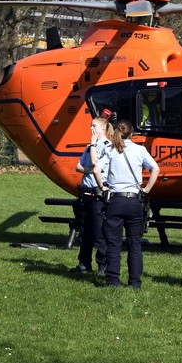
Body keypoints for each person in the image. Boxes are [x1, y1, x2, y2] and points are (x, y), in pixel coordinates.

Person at [101, 120, 159, 288]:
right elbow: (155, 168)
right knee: (134, 243)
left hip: (116, 199)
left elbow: (97, 169)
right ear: (132, 133)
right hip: (134, 200)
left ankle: (113, 279)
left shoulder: (111, 149)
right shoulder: (140, 150)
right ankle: (135, 281)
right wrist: (146, 189)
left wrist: (102, 186)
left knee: (114, 242)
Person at [69, 116, 113, 275]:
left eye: (94, 126)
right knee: (85, 231)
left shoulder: (107, 146)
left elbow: (96, 164)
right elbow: (79, 166)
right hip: (86, 193)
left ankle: (103, 265)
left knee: (98, 231)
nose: (91, 129)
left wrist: (91, 166)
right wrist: (90, 170)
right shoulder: (89, 147)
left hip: (98, 193)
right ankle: (84, 263)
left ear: (103, 128)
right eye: (90, 126)